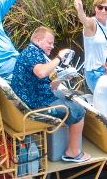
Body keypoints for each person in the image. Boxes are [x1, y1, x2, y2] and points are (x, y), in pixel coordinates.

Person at [10, 27, 90, 163]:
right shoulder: (31, 53)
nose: (52, 47)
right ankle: (73, 152)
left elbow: (46, 83)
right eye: (49, 43)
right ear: (37, 40)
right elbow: (41, 73)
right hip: (35, 105)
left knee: (66, 96)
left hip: (35, 97)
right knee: (79, 111)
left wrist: (62, 78)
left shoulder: (34, 53)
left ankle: (68, 144)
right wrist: (59, 57)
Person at [72, 0, 107, 93]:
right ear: (95, 8)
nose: (103, 11)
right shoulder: (92, 24)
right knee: (106, 102)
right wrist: (80, 10)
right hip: (95, 72)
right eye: (100, 7)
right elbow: (84, 20)